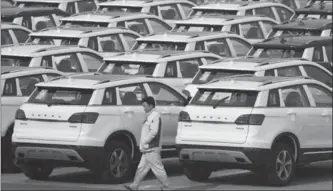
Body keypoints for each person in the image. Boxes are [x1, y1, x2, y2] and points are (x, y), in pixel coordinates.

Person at [124, 97, 171, 191]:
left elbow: (154, 132)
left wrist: (146, 141)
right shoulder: (150, 116)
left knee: (158, 169)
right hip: (147, 148)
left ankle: (166, 187)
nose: (143, 108)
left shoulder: (155, 116)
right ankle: (134, 186)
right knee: (141, 168)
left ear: (151, 105)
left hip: (152, 148)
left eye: (145, 106)